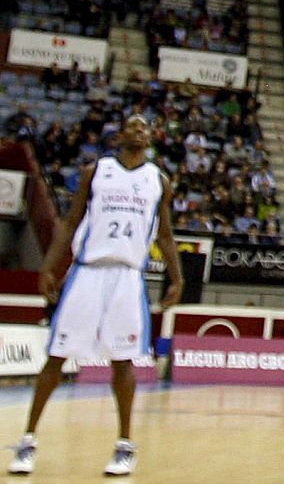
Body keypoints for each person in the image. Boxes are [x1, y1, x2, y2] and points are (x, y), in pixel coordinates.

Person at [8, 114, 182, 477]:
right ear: (119, 136)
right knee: (56, 357)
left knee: (123, 361)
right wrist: (48, 268)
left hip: (128, 277)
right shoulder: (96, 171)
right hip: (87, 272)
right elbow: (70, 223)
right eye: (134, 126)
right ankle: (27, 441)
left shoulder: (158, 181)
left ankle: (124, 446)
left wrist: (176, 278)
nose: (141, 130)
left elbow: (164, 235)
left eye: (146, 127)